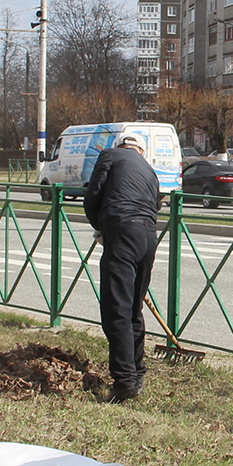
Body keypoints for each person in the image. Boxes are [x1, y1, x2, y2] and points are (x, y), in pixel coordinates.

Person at [82, 132, 160, 402]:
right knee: (133, 309)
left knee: (117, 309)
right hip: (149, 236)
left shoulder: (110, 156)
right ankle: (137, 373)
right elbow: (154, 205)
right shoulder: (150, 170)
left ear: (121, 146)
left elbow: (92, 198)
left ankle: (124, 382)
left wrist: (101, 227)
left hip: (122, 232)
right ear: (141, 151)